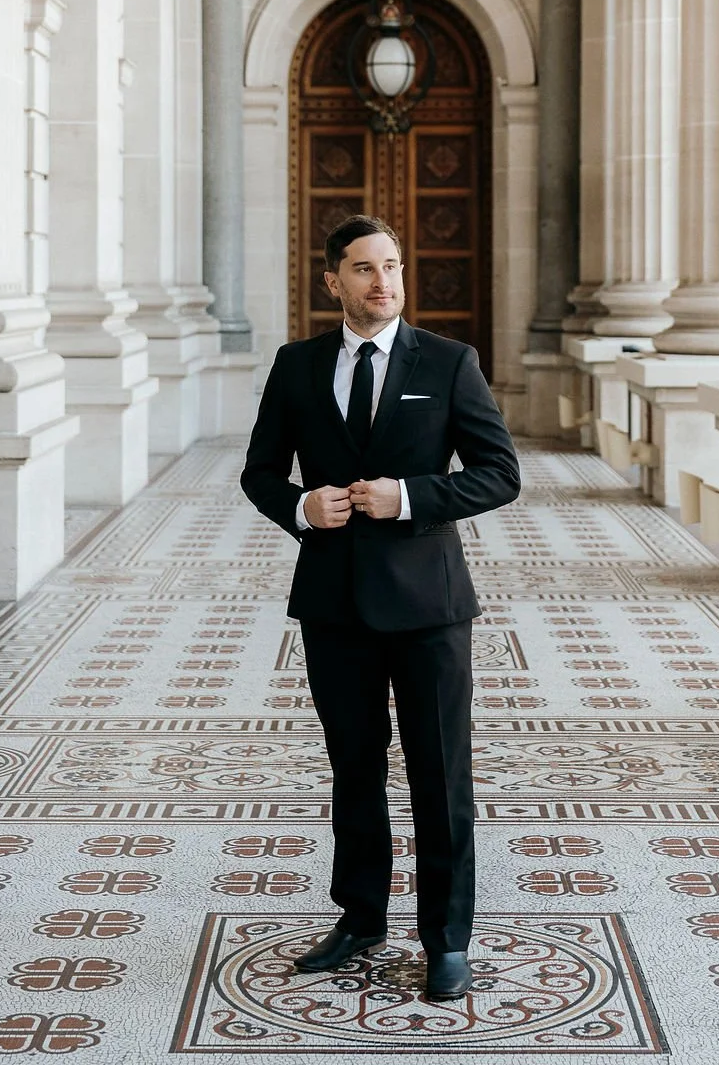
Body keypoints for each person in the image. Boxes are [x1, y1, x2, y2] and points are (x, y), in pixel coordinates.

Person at [241, 215, 521, 1001]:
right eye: (363, 269)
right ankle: (361, 917)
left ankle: (447, 938)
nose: (382, 282)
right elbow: (260, 472)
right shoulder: (297, 366)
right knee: (353, 771)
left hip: (430, 606)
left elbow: (500, 473)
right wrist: (300, 509)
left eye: (392, 266)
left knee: (441, 776)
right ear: (333, 281)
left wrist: (412, 497)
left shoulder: (449, 360)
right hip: (334, 603)